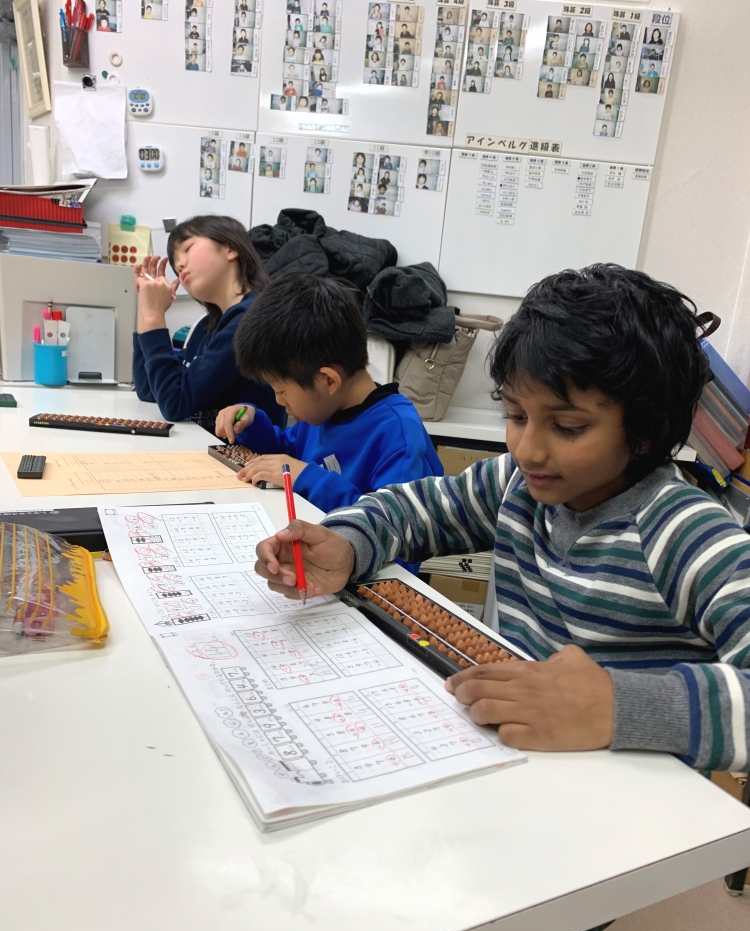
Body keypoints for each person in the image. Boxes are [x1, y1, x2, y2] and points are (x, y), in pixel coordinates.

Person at [256, 264, 750, 775]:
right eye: (516, 416)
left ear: (648, 429)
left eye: (567, 426)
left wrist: (618, 705)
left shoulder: (688, 534)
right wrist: (347, 542)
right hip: (520, 763)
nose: (528, 449)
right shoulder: (517, 484)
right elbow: (414, 508)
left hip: (631, 795)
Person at [214, 273, 443, 522]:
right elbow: (286, 454)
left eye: (281, 390)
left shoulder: (398, 436)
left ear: (328, 380)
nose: (278, 401)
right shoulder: (322, 410)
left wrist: (307, 478)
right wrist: (253, 425)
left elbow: (393, 528)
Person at [132, 215, 284, 430]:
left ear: (231, 249)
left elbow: (175, 403)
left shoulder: (251, 319)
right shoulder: (207, 326)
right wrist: (146, 307)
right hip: (206, 445)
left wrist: (153, 316)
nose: (180, 264)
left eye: (187, 248)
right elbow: (149, 390)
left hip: (241, 451)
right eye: (175, 264)